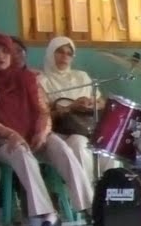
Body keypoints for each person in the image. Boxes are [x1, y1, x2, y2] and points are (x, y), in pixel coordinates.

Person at [0, 35, 93, 226]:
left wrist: (42, 133)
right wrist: (12, 134)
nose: (0, 56)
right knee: (22, 155)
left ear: (11, 55)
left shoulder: (27, 78)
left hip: (35, 134)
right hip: (2, 140)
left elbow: (43, 111)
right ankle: (48, 214)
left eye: (5, 51)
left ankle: (89, 207)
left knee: (62, 149)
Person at [38, 36, 107, 180]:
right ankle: (89, 188)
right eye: (60, 52)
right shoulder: (41, 80)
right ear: (50, 53)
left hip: (87, 127)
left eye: (69, 53)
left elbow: (102, 102)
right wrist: (71, 107)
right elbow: (42, 114)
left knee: (108, 147)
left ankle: (108, 188)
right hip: (60, 131)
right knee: (79, 143)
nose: (64, 57)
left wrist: (90, 103)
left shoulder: (81, 76)